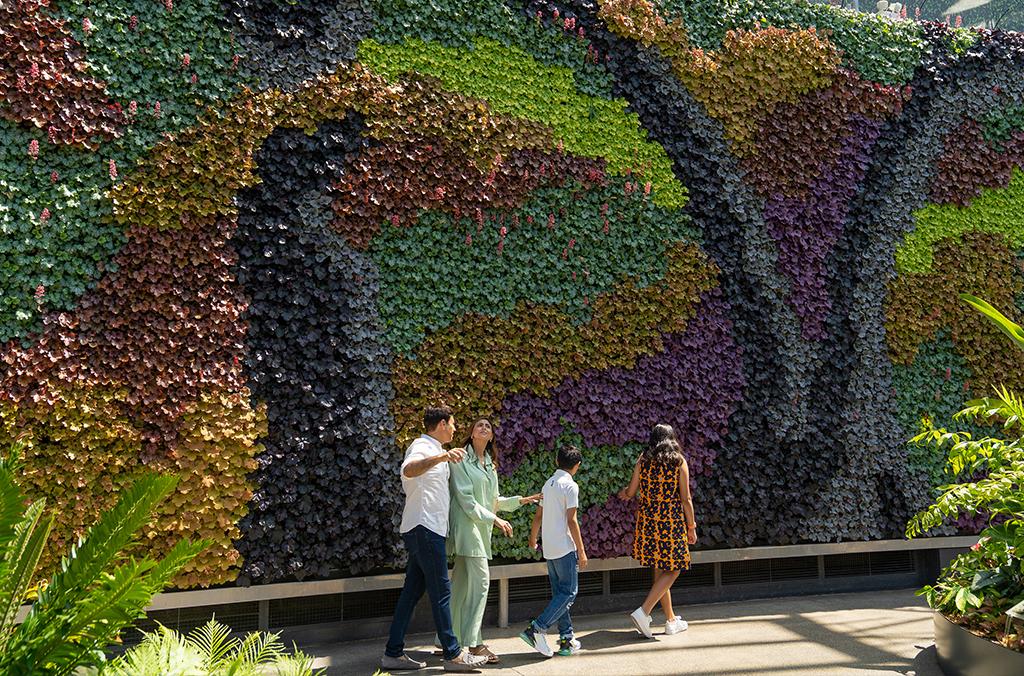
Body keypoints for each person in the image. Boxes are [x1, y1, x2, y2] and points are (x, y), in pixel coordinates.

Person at [381, 407, 488, 673]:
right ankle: (453, 654)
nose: (454, 429)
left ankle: (392, 654)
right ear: (442, 424)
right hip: (424, 528)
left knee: (411, 594)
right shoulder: (423, 446)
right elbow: (409, 470)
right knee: (442, 591)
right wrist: (441, 456)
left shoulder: (434, 449)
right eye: (452, 424)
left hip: (427, 530)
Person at [447, 418, 541, 664]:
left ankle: (446, 640)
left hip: (480, 531)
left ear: (490, 437)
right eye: (479, 424)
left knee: (459, 588)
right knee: (481, 586)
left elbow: (494, 501)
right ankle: (474, 644)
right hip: (467, 529)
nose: (484, 427)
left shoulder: (490, 465)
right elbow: (466, 501)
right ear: (472, 432)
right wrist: (496, 521)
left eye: (488, 426)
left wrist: (520, 500)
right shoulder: (459, 460)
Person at [617, 423, 698, 639]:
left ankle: (671, 620)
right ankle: (644, 611)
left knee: (660, 568)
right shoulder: (678, 461)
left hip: (648, 520)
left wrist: (624, 493)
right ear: (671, 438)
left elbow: (632, 491)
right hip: (670, 520)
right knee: (675, 567)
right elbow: (686, 498)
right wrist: (691, 526)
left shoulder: (643, 460)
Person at [521, 445, 587, 658]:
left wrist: (532, 539)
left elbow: (538, 516)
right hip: (565, 547)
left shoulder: (548, 484)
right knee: (569, 593)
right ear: (576, 466)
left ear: (557, 462)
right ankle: (537, 628)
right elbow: (572, 520)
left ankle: (567, 639)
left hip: (549, 548)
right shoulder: (571, 486)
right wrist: (582, 550)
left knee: (560, 594)